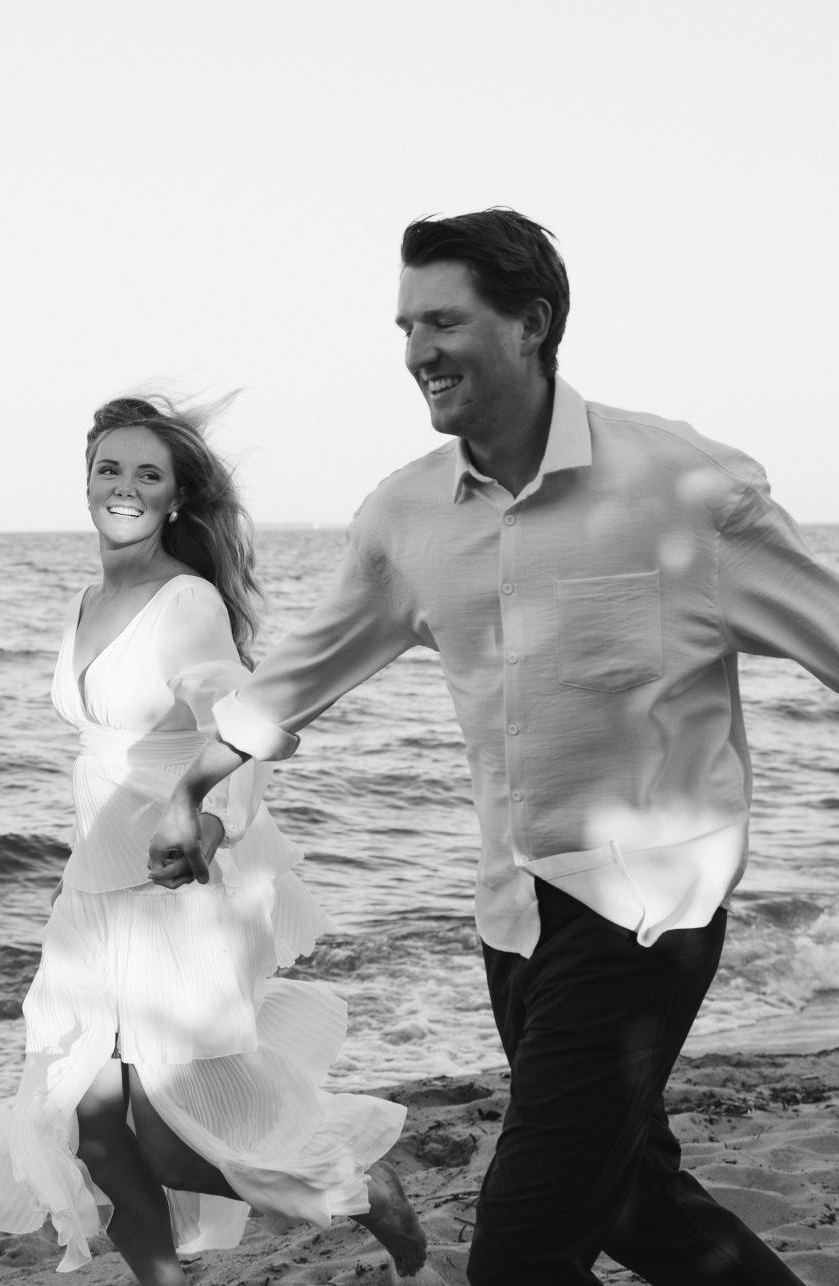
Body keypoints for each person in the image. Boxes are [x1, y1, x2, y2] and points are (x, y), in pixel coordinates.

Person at [150, 209, 839, 1285]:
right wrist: (192, 786)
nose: (416, 351)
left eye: (443, 321)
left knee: (518, 1251)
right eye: (405, 326)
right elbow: (300, 672)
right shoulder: (406, 515)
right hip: (512, 914)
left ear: (532, 322)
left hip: (646, 910)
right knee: (630, 1200)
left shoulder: (686, 488)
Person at [0, 395, 426, 1285]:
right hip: (95, 890)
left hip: (178, 892)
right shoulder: (88, 597)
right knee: (90, 1128)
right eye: (109, 469)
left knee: (170, 1145)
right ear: (86, 481)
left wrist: (206, 817)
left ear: (174, 499)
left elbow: (245, 722)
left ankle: (365, 1193)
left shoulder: (186, 601)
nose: (124, 487)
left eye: (147, 474)